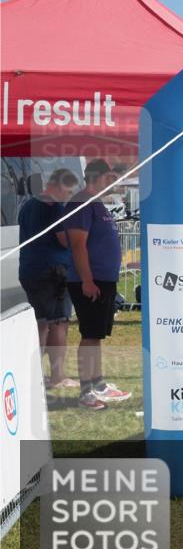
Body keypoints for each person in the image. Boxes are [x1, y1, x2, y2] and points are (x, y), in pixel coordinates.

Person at [63, 159, 131, 410]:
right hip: (90, 280)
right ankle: (86, 392)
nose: (114, 182)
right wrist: (87, 280)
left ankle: (98, 383)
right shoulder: (81, 202)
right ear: (98, 177)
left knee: (96, 335)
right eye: (110, 177)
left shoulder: (97, 203)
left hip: (104, 280)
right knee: (89, 335)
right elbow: (78, 244)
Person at [18, 168, 81, 389]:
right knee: (59, 323)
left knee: (42, 323)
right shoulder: (54, 207)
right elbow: (65, 240)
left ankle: (33, 373)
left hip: (30, 270)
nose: (69, 195)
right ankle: (58, 376)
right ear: (56, 185)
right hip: (52, 272)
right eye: (68, 190)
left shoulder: (27, 206)